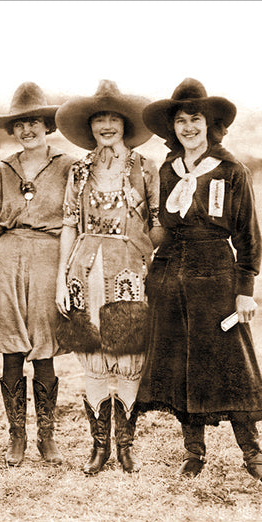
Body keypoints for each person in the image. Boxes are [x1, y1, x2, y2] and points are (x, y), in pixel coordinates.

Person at [135, 78, 262, 486]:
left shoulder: (232, 170)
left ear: (210, 124)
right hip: (170, 276)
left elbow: (248, 235)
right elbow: (161, 229)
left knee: (233, 364)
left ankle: (253, 454)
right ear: (172, 127)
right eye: (181, 120)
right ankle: (194, 452)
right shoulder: (167, 169)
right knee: (181, 363)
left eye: (195, 119)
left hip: (216, 275)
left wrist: (244, 291)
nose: (188, 127)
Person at [54, 80, 163, 475]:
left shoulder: (145, 168)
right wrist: (61, 278)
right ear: (90, 126)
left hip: (130, 271)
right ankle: (99, 447)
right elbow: (69, 223)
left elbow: (158, 224)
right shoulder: (79, 169)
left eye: (112, 118)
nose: (105, 125)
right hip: (86, 268)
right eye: (98, 118)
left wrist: (147, 258)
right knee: (95, 359)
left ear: (125, 124)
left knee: (129, 357)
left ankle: (125, 446)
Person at [0, 82, 76, 467]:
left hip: (50, 257)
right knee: (11, 346)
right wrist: (8, 253)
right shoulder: (2, 170)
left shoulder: (69, 166)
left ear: (47, 125)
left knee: (44, 347)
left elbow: (75, 219)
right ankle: (16, 435)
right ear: (12, 129)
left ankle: (47, 436)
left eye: (34, 122)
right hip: (9, 257)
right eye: (19, 124)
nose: (27, 130)